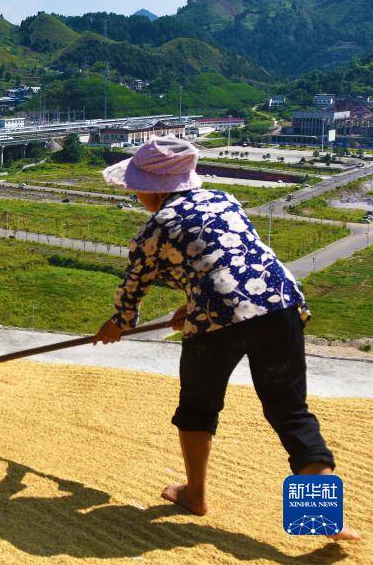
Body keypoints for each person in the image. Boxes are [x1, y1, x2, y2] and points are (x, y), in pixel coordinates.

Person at [93, 137, 359, 541]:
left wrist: (117, 325)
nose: (134, 194)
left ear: (155, 188)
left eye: (137, 187)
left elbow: (134, 287)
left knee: (197, 408)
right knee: (289, 410)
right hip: (279, 303)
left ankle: (195, 494)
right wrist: (193, 302)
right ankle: (323, 519)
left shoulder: (156, 228)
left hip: (219, 320)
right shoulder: (224, 200)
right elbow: (225, 257)